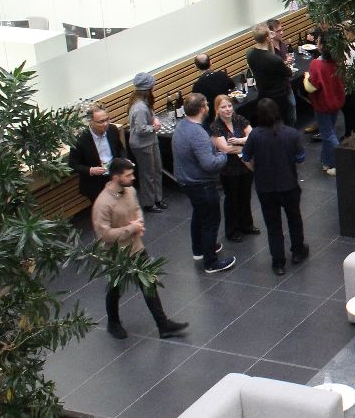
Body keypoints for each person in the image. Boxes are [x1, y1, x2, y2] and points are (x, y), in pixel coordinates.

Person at [91, 158, 187, 339]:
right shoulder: (103, 203)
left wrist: (139, 222)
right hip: (116, 255)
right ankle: (113, 322)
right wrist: (132, 228)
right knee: (115, 289)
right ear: (116, 177)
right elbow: (103, 234)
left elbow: (137, 211)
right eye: (128, 175)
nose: (132, 178)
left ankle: (163, 324)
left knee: (148, 284)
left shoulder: (130, 191)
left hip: (136, 248)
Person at [241, 99, 309, 277]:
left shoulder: (255, 135)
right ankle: (297, 250)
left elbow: (246, 157)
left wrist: (256, 170)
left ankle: (278, 261)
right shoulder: (291, 134)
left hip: (265, 187)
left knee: (273, 225)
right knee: (294, 218)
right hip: (289, 185)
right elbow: (300, 158)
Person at [172, 94, 236, 273]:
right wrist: (224, 154)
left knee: (199, 215)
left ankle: (199, 249)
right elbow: (209, 164)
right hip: (201, 183)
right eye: (206, 104)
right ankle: (211, 262)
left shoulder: (182, 126)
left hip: (187, 180)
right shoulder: (198, 133)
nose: (208, 107)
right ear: (202, 109)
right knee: (210, 220)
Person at [208, 94, 257, 243]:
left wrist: (240, 140)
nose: (228, 109)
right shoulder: (215, 127)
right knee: (232, 199)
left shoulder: (239, 119)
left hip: (245, 165)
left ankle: (247, 225)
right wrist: (244, 146)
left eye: (229, 106)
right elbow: (225, 148)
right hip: (229, 169)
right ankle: (232, 230)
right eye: (223, 107)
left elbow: (254, 135)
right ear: (217, 109)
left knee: (246, 195)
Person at [69, 105, 130, 202]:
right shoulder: (80, 140)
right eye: (101, 122)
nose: (105, 124)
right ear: (90, 122)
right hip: (96, 183)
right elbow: (72, 164)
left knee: (120, 206)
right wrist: (91, 170)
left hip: (114, 176)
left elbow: (120, 149)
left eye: (107, 119)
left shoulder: (112, 130)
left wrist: (124, 160)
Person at [127, 73, 166, 214]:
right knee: (147, 174)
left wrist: (154, 119)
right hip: (142, 144)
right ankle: (149, 202)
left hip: (150, 141)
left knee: (156, 170)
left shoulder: (142, 103)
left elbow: (151, 114)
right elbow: (140, 129)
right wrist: (154, 128)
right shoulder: (139, 107)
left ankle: (157, 198)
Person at [305, 46, 346, 176]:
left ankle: (339, 162)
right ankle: (326, 161)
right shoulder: (339, 61)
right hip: (336, 100)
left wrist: (306, 77)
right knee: (330, 130)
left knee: (328, 134)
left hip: (323, 104)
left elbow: (311, 87)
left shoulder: (316, 64)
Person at [246, 24, 295, 126]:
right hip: (278, 97)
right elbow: (288, 73)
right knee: (281, 124)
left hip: (263, 94)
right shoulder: (274, 59)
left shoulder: (250, 54)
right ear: (268, 37)